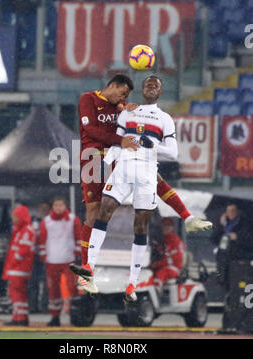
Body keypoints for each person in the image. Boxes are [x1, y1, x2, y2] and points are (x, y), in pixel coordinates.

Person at [77, 74, 212, 287]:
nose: (124, 98)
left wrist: (145, 143)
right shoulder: (89, 99)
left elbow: (169, 150)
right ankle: (86, 269)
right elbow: (91, 130)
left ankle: (187, 218)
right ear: (114, 86)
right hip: (94, 157)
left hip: (123, 156)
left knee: (154, 187)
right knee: (94, 213)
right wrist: (121, 142)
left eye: (127, 95)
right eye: (123, 93)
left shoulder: (130, 109)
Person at [39, 197, 82, 326]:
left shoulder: (73, 220)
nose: (58, 208)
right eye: (56, 205)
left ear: (65, 206)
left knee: (72, 287)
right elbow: (42, 239)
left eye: (61, 205)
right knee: (53, 290)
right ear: (52, 207)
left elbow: (78, 236)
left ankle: (75, 315)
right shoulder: (46, 222)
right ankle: (55, 317)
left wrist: (78, 252)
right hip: (52, 260)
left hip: (68, 259)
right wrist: (43, 255)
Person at [210, 203, 253, 332]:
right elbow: (213, 239)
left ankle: (241, 324)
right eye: (228, 211)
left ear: (238, 212)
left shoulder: (245, 225)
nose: (230, 214)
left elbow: (249, 243)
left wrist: (237, 238)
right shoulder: (225, 226)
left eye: (233, 211)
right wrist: (221, 225)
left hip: (240, 266)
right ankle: (228, 323)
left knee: (240, 296)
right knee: (227, 295)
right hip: (225, 266)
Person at [2, 204, 36, 326]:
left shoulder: (26, 230)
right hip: (18, 267)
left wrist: (14, 260)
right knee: (19, 293)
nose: (13, 218)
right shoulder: (21, 229)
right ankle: (20, 316)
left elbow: (24, 248)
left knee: (15, 292)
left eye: (15, 216)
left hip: (19, 267)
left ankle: (19, 317)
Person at [150, 217, 186, 294]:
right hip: (160, 266)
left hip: (173, 268)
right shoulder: (159, 239)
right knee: (148, 272)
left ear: (172, 227)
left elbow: (176, 259)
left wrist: (157, 264)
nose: (166, 227)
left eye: (168, 225)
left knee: (161, 273)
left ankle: (156, 293)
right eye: (164, 225)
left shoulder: (175, 241)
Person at [28, 201, 51, 313]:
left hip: (48, 254)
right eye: (42, 208)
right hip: (34, 255)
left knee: (47, 282)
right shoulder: (32, 221)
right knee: (33, 281)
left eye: (45, 209)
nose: (43, 211)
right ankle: (32, 305)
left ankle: (44, 306)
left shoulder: (51, 222)